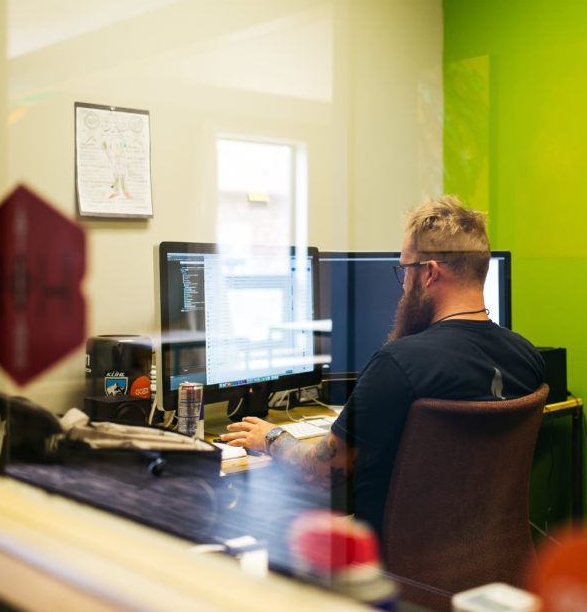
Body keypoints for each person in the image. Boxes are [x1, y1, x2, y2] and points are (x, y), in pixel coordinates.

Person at [220, 195, 546, 540]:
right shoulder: (526, 358)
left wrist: (271, 437)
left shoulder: (399, 364)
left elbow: (321, 471)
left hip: (399, 568)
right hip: (490, 556)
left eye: (404, 270)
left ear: (430, 273)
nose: (403, 284)